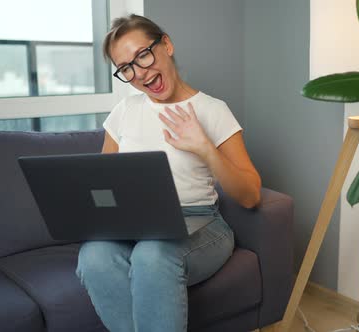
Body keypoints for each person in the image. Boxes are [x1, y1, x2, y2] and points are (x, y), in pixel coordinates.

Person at [75, 14, 261, 332]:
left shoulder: (213, 110)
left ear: (167, 45)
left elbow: (250, 194)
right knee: (93, 256)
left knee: (152, 255)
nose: (139, 72)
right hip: (136, 223)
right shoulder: (125, 111)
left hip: (201, 223)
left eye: (143, 55)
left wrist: (204, 147)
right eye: (126, 68)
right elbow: (103, 181)